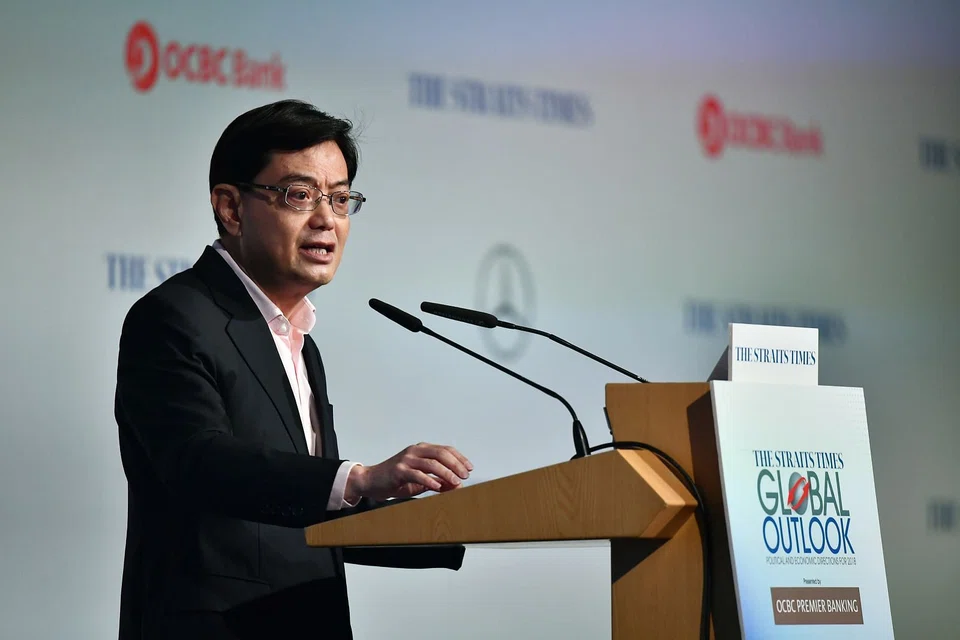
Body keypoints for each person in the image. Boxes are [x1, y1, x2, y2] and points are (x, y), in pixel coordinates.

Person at [114, 99, 473, 639]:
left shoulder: (300, 342)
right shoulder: (173, 317)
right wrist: (358, 477)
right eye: (300, 195)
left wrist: (454, 522)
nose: (326, 219)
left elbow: (300, 510)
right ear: (231, 208)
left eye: (341, 198)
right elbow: (199, 464)